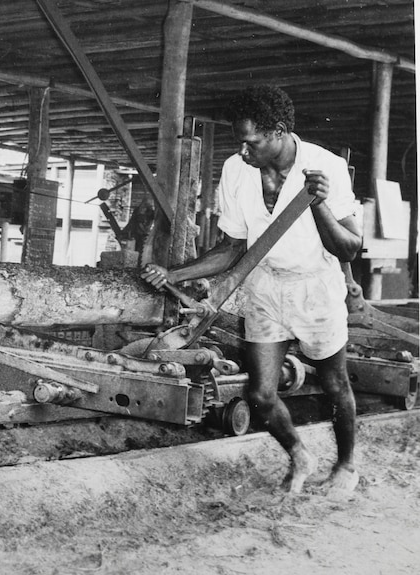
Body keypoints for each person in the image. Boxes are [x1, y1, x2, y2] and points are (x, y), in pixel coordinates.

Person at [141, 85, 363, 496]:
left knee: (335, 385)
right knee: (259, 394)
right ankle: (300, 455)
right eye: (239, 142)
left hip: (315, 286)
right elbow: (231, 248)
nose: (244, 151)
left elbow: (349, 247)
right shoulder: (235, 170)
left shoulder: (323, 166)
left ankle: (347, 467)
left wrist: (320, 206)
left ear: (278, 131)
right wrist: (174, 274)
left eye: (252, 142)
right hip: (264, 285)